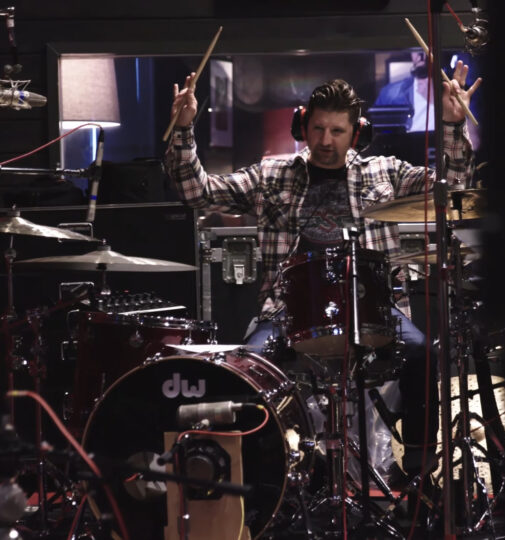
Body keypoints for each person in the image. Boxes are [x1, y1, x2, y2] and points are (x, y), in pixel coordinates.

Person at [164, 64, 480, 476]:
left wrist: (454, 126)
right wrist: (184, 129)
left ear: (357, 133)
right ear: (302, 126)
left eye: (336, 131)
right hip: (287, 311)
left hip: (374, 307)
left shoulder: (383, 172)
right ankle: (264, 478)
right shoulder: (273, 174)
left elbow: (454, 188)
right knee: (250, 367)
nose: (325, 141)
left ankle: (419, 475)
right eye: (317, 129)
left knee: (422, 354)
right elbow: (196, 192)